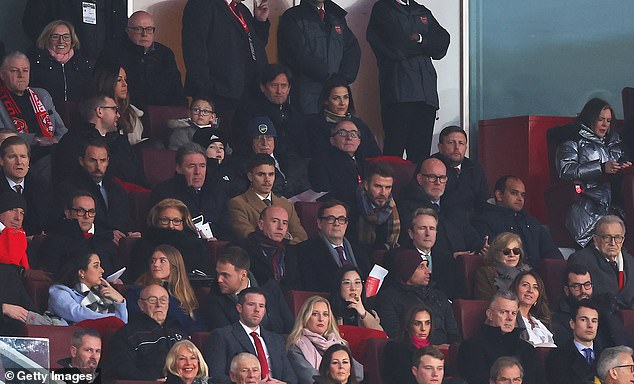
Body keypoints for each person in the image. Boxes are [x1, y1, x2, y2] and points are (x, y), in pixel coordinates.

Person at [366, 0, 449, 163]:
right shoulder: (383, 9)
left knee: (420, 157)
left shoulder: (421, 10)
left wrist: (419, 39)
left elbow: (442, 42)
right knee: (393, 153)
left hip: (427, 96)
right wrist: (427, 47)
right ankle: (389, 188)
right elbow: (397, 46)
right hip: (399, 93)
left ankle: (415, 189)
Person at [556, 98, 631, 247]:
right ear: (590, 118)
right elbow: (565, 170)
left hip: (616, 208)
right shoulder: (573, 138)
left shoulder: (615, 142)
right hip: (588, 208)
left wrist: (625, 168)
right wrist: (601, 168)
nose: (605, 125)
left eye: (608, 121)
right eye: (601, 119)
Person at [182, 0, 270, 113]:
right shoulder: (201, 4)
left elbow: (256, 47)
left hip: (248, 92)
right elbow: (194, 52)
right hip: (220, 94)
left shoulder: (242, 10)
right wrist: (207, 90)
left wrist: (260, 22)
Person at [278, 0, 360, 116]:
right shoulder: (293, 17)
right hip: (306, 94)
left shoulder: (336, 17)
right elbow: (296, 54)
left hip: (335, 93)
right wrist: (327, 75)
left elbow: (352, 49)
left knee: (337, 131)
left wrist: (342, 79)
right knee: (310, 130)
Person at [397, 157, 484, 264]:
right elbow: (409, 245)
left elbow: (470, 235)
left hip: (461, 266)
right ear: (420, 179)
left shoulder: (454, 205)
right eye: (432, 177)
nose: (438, 182)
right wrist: (450, 258)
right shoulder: (407, 206)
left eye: (442, 178)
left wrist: (482, 248)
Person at [204, 287, 298, 383]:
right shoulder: (222, 336)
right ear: (239, 308)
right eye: (251, 304)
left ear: (265, 311)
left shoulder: (276, 339)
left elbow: (291, 377)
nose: (257, 310)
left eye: (261, 306)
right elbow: (216, 377)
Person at [57, 138, 140, 244]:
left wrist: (132, 233)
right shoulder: (68, 189)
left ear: (108, 161)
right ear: (81, 161)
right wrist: (107, 235)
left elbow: (126, 221)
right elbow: (64, 225)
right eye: (92, 160)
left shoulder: (117, 189)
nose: (98, 166)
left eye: (102, 160)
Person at [99, 11, 186, 109]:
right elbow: (103, 90)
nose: (144, 34)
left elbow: (177, 92)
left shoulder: (165, 54)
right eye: (138, 29)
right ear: (127, 31)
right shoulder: (112, 53)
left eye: (149, 29)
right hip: (125, 113)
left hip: (160, 114)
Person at [472, 175, 563, 266]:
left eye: (522, 195)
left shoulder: (531, 222)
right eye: (514, 193)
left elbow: (554, 255)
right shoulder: (483, 221)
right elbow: (492, 257)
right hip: (503, 276)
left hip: (535, 277)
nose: (520, 199)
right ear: (499, 195)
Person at [457, 291, 544, 384]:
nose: (510, 318)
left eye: (513, 313)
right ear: (490, 315)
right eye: (503, 312)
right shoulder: (471, 347)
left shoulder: (528, 350)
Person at [203, 246, 294, 333]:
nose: (219, 280)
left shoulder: (270, 288)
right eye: (218, 274)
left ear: (243, 275)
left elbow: (289, 326)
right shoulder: (214, 300)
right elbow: (225, 337)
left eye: (225, 275)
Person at [106, 284, 187, 380]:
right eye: (152, 300)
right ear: (141, 305)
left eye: (163, 300)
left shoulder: (178, 329)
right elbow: (123, 370)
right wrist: (152, 379)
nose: (159, 305)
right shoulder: (128, 334)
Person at [375, 249, 459, 341]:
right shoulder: (388, 298)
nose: (429, 271)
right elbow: (395, 335)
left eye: (427, 266)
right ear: (407, 269)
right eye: (421, 267)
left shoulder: (438, 295)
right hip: (412, 352)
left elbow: (453, 332)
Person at [52, 93, 136, 184]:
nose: (118, 115)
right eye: (114, 109)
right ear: (99, 111)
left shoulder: (120, 141)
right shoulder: (73, 141)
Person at [151, 143, 229, 240]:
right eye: (192, 166)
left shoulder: (217, 191)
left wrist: (218, 242)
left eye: (202, 166)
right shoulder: (164, 193)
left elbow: (227, 228)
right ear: (178, 168)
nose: (198, 172)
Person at [228, 154, 307, 244]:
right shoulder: (238, 203)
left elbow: (302, 238)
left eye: (271, 174)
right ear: (250, 176)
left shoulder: (286, 204)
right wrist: (287, 238)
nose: (267, 179)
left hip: (288, 255)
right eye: (261, 174)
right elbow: (249, 236)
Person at [36, 190, 119, 276]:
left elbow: (120, 272)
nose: (86, 216)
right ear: (67, 213)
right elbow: (50, 275)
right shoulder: (54, 241)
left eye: (91, 211)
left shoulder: (105, 240)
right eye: (81, 211)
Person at [233, 63, 308, 157]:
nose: (279, 91)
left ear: (289, 89)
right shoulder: (248, 112)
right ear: (262, 87)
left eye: (283, 86)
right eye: (274, 85)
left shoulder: (295, 115)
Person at [552, 263, 633, 348]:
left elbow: (624, 342)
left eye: (587, 285)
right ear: (566, 290)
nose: (583, 291)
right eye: (576, 286)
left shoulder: (603, 308)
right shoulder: (557, 317)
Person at [130, 244, 207, 333]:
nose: (155, 264)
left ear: (174, 265)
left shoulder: (185, 295)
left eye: (162, 261)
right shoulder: (137, 292)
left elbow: (198, 326)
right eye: (152, 261)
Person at [128, 198, 210, 281]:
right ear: (156, 221)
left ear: (184, 223)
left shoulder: (195, 246)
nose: (171, 226)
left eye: (176, 221)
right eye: (165, 220)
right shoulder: (143, 245)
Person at [286, 296, 363, 383]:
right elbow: (310, 378)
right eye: (315, 314)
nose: (321, 319)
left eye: (325, 314)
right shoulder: (296, 346)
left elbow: (358, 373)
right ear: (305, 317)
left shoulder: (338, 343)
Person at [298, 200, 370, 292]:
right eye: (331, 219)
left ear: (346, 224)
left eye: (341, 219)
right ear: (319, 223)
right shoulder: (305, 251)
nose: (337, 224)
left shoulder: (360, 252)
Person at [22, 0, 128, 60]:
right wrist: (56, 49)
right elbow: (32, 24)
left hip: (104, 66)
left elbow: (120, 26)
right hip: (62, 64)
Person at [0, 52, 67, 144]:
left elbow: (62, 130)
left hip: (52, 149)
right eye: (14, 70)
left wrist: (59, 141)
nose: (21, 75)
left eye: (25, 70)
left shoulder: (42, 95)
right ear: (2, 75)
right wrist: (35, 140)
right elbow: (2, 136)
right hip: (18, 152)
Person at [568, 215, 634, 309]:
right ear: (596, 239)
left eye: (618, 237)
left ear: (623, 240)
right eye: (607, 237)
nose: (613, 243)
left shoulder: (630, 261)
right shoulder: (581, 260)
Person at [305, 78, 380, 159]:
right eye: (336, 98)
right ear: (326, 100)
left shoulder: (359, 124)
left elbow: (375, 157)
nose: (342, 103)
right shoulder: (313, 124)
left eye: (346, 97)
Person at [238, 116, 310, 199]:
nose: (265, 143)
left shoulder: (291, 160)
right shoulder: (246, 166)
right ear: (251, 143)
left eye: (269, 138)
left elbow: (306, 187)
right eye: (259, 138)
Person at [47, 251, 127, 324]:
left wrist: (120, 300)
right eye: (96, 266)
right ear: (81, 273)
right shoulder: (59, 293)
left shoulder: (100, 291)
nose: (102, 270)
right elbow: (79, 314)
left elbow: (122, 324)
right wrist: (115, 318)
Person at [27, 20, 94, 105]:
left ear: (72, 40)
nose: (61, 41)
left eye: (66, 37)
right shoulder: (36, 64)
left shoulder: (84, 63)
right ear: (47, 39)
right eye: (55, 37)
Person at [0, 135, 55, 235]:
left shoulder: (41, 185)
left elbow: (47, 221)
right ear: (2, 161)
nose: (19, 162)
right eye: (12, 157)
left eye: (23, 156)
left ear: (28, 161)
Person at [431, 126, 489, 222]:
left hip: (470, 225)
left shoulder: (475, 169)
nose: (457, 148)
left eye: (461, 143)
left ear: (465, 148)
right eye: (451, 143)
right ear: (440, 147)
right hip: (440, 223)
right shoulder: (430, 165)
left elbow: (483, 203)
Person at [309, 119, 370, 208]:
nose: (349, 138)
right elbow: (325, 196)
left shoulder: (366, 164)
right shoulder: (320, 164)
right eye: (342, 133)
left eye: (353, 134)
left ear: (359, 141)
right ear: (332, 140)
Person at [241, 206, 302, 291]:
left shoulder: (291, 251)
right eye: (275, 221)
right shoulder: (244, 248)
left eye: (284, 223)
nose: (280, 227)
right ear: (261, 225)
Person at [89, 60, 146, 148]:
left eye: (125, 79)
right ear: (107, 82)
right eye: (119, 80)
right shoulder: (95, 108)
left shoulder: (131, 111)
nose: (125, 84)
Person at [546, 299, 602, 384]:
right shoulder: (558, 356)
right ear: (572, 324)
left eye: (594, 321)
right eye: (583, 320)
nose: (590, 325)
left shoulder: (604, 353)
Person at [351, 161, 399, 251]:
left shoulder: (395, 208)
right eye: (378, 186)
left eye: (388, 187)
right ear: (366, 185)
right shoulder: (352, 208)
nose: (383, 193)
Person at [383, 304, 434, 383]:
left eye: (427, 323)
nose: (423, 328)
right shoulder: (395, 348)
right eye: (417, 323)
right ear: (407, 325)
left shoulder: (433, 349)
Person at [474, 232, 532, 301]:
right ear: (496, 254)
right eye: (506, 251)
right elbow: (487, 302)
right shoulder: (485, 273)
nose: (512, 255)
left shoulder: (528, 273)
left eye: (516, 251)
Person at [192, 129, 246, 199]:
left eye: (221, 147)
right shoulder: (199, 171)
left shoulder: (234, 170)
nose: (219, 150)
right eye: (212, 147)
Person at [329, 265, 382, 330]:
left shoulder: (371, 314)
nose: (353, 288)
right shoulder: (327, 312)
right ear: (338, 286)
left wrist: (363, 313)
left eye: (357, 282)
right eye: (347, 283)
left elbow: (381, 336)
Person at [510, 270, 555, 347]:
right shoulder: (508, 317)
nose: (530, 290)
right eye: (525, 285)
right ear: (515, 289)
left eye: (535, 287)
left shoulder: (540, 321)